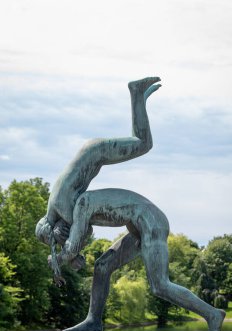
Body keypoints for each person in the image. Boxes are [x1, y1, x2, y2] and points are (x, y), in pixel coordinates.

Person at [55, 188, 225, 331]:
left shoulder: (82, 204)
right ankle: (93, 321)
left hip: (151, 221)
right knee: (102, 267)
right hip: (138, 227)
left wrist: (56, 259)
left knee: (160, 285)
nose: (66, 241)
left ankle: (212, 315)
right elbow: (76, 245)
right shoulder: (80, 208)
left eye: (63, 240)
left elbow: (73, 247)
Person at [35, 77, 161, 279]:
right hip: (93, 152)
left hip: (97, 153)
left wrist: (62, 258)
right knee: (141, 142)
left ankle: (136, 93)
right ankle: (139, 99)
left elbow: (80, 235)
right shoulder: (54, 202)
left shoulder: (64, 208)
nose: (63, 233)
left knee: (143, 143)